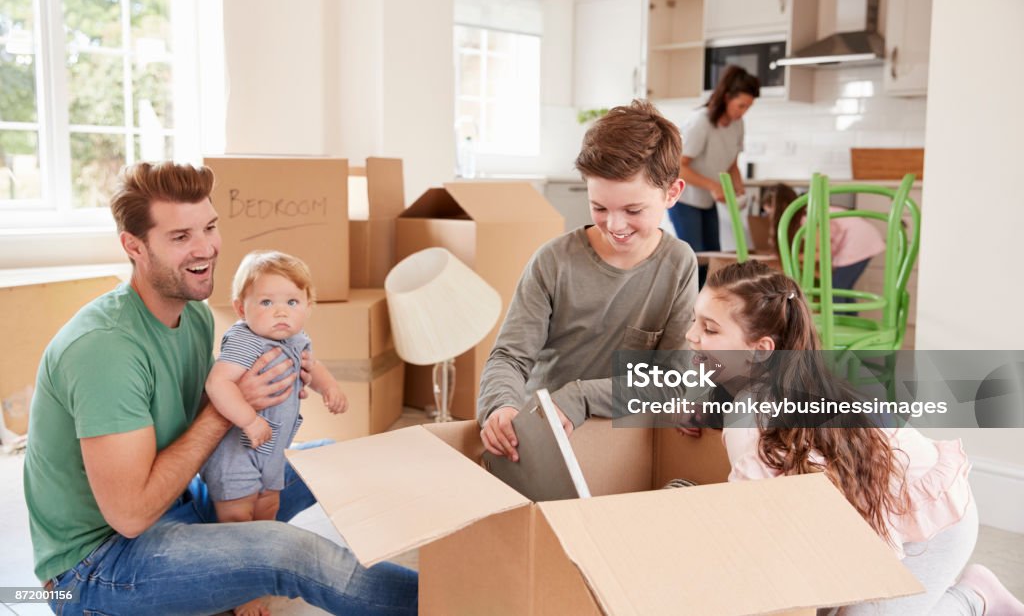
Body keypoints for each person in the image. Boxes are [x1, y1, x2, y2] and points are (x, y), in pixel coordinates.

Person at [23, 162, 417, 615]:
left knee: (331, 458)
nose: (205, 248)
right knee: (287, 553)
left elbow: (205, 424)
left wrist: (279, 385)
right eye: (180, 237)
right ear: (133, 246)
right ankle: (465, 602)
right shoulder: (104, 349)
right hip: (96, 568)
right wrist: (231, 408)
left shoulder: (193, 315)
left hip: (179, 504)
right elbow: (130, 516)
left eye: (209, 227)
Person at [682, 260, 1023, 615]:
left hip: (930, 527)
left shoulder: (754, 417)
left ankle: (973, 598)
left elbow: (753, 521)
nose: (691, 335)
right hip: (889, 509)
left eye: (710, 329)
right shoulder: (777, 382)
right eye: (694, 319)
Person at [477, 99, 699, 461]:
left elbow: (671, 379)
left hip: (626, 441)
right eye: (599, 208)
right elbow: (509, 357)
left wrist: (581, 396)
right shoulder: (553, 262)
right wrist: (499, 406)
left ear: (672, 193)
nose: (615, 225)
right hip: (542, 439)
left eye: (633, 210)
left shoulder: (678, 263)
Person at [202, 250, 348, 616]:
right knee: (237, 523)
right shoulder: (244, 341)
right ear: (241, 308)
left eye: (292, 301)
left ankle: (259, 569)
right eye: (266, 302)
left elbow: (312, 369)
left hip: (273, 452)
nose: (281, 312)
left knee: (268, 510)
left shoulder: (298, 340)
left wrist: (329, 387)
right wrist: (249, 420)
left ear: (308, 306)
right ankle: (239, 593)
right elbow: (218, 384)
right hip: (237, 453)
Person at [668, 64, 760, 288]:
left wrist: (737, 187)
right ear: (727, 97)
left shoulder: (737, 124)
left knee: (712, 258)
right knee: (695, 260)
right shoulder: (701, 122)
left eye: (748, 107)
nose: (743, 111)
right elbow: (678, 166)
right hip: (685, 200)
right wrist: (713, 186)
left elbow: (732, 163)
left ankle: (705, 312)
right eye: (741, 105)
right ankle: (689, 314)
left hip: (706, 200)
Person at [767, 182, 886, 312]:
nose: (768, 216)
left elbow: (822, 253)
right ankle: (851, 324)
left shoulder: (807, 219)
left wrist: (794, 258)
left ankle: (837, 328)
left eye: (769, 212)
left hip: (858, 241)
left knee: (835, 291)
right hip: (863, 238)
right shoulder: (808, 214)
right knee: (842, 289)